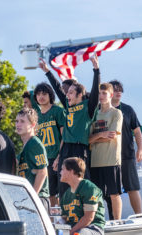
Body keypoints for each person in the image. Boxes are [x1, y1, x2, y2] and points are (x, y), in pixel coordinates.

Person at [39, 55, 100, 199]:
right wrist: (47, 71)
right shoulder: (68, 106)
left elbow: (95, 91)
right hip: (66, 149)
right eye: (68, 93)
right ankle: (66, 214)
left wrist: (96, 70)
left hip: (80, 149)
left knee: (81, 184)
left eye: (71, 92)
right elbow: (58, 89)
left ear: (80, 95)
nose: (67, 95)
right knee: (63, 185)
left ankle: (86, 212)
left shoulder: (88, 108)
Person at [89, 83, 123, 220]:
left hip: (111, 160)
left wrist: (96, 137)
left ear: (111, 95)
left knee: (114, 194)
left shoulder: (116, 113)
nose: (101, 96)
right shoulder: (93, 114)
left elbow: (112, 136)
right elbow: (88, 139)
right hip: (95, 161)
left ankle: (118, 223)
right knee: (96, 195)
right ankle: (99, 222)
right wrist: (101, 135)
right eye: (99, 93)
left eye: (104, 93)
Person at [110, 80, 142, 214]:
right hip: (108, 157)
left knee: (132, 188)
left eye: (120, 90)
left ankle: (140, 217)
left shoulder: (128, 109)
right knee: (112, 191)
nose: (118, 92)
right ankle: (114, 221)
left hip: (127, 155)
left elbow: (137, 131)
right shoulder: (101, 110)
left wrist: (140, 149)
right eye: (115, 89)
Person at [32, 83, 66, 206]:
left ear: (50, 95)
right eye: (38, 94)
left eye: (44, 94)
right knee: (50, 193)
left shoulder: (58, 111)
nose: (41, 96)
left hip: (58, 156)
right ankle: (54, 220)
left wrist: (59, 157)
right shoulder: (36, 116)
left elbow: (64, 137)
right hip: (44, 159)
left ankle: (65, 218)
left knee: (63, 192)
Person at [15, 108, 50, 212]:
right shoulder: (25, 145)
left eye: (22, 121)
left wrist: (32, 196)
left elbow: (42, 172)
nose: (18, 124)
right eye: (17, 121)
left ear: (33, 124)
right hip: (28, 197)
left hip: (38, 197)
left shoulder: (35, 143)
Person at [60, 157, 105, 235]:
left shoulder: (89, 188)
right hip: (74, 229)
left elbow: (89, 218)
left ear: (71, 171)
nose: (60, 172)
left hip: (92, 228)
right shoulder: (66, 194)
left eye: (62, 169)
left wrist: (70, 233)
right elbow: (64, 218)